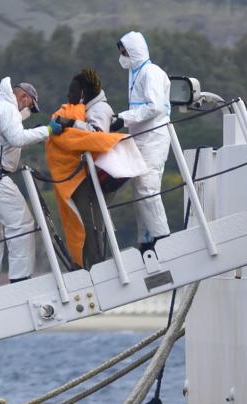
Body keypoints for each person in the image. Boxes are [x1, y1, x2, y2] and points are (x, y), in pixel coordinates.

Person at [0, 77, 65, 290]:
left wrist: (37, 135)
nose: (27, 111)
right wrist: (48, 131)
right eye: (29, 106)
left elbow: (4, 145)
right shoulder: (8, 109)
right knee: (22, 224)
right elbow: (17, 139)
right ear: (23, 97)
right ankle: (20, 280)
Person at [47, 69, 125, 268]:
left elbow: (96, 136)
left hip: (99, 176)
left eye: (72, 91)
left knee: (89, 221)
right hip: (90, 175)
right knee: (88, 219)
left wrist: (71, 123)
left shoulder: (99, 109)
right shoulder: (92, 108)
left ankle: (94, 264)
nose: (69, 96)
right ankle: (90, 261)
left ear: (83, 92)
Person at [113, 31, 172, 248]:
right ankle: (146, 241)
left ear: (135, 51)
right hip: (140, 138)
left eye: (125, 52)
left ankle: (162, 239)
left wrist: (123, 118)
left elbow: (155, 107)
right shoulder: (136, 73)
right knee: (139, 190)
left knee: (148, 188)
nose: (122, 57)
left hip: (154, 138)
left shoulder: (151, 73)